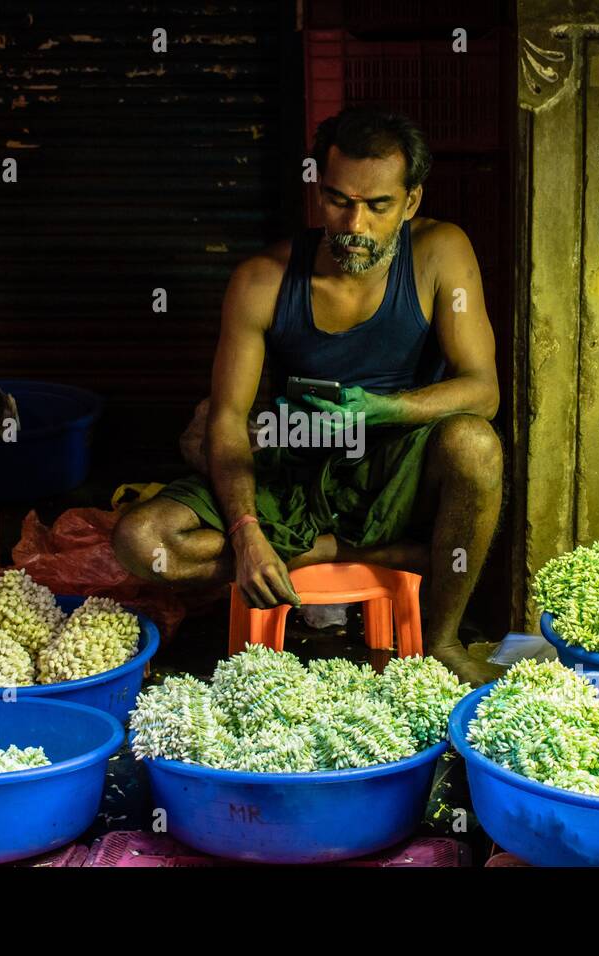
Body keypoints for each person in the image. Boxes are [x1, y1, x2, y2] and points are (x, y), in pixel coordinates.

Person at [113, 104, 504, 684]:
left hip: (394, 470)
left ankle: (440, 639)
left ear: (411, 202)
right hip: (296, 462)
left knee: (475, 444)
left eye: (379, 206)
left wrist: (385, 408)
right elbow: (227, 418)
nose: (355, 225)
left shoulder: (440, 251)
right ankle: (331, 548)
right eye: (339, 201)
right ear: (318, 192)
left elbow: (483, 391)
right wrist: (245, 534)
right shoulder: (261, 278)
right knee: (140, 539)